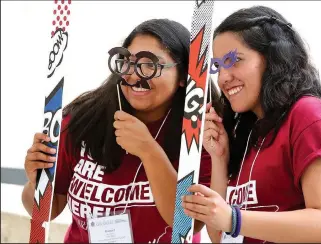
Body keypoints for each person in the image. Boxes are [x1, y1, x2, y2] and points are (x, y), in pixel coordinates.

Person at [22, 18, 219, 243]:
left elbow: (189, 224)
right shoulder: (82, 120)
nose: (134, 76)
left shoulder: (202, 133)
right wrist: (36, 182)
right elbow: (49, 209)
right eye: (127, 62)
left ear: (185, 76)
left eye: (149, 65)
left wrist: (149, 151)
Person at [181, 6, 321, 243]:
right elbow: (217, 234)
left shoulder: (310, 114)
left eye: (234, 60)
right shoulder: (248, 131)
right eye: (218, 66)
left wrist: (234, 219)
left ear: (272, 58)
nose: (223, 77)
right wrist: (220, 158)